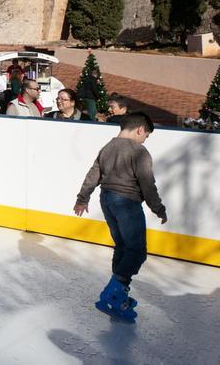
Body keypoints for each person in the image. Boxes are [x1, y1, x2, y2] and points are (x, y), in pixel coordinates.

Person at [74, 112, 167, 323]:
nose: (145, 140)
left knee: (123, 247)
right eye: (146, 136)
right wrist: (158, 208)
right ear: (140, 129)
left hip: (106, 200)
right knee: (137, 252)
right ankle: (113, 292)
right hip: (126, 202)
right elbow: (147, 184)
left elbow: (92, 175)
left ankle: (119, 294)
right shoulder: (139, 151)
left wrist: (82, 198)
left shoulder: (107, 147)